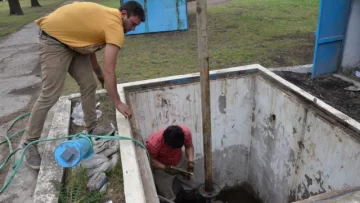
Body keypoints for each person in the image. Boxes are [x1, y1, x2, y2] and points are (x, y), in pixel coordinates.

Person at [23, 1, 145, 169]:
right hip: (54, 39)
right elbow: (110, 71)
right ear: (124, 14)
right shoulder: (115, 27)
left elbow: (89, 45)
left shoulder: (109, 19)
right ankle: (29, 144)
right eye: (133, 24)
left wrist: (98, 73)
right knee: (50, 94)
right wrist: (117, 102)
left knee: (89, 84)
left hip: (74, 43)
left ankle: (92, 127)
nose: (133, 28)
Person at [146, 125, 199, 202]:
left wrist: (190, 161)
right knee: (166, 193)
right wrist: (165, 168)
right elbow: (152, 161)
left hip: (180, 160)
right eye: (172, 148)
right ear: (166, 142)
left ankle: (190, 198)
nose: (173, 151)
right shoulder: (153, 144)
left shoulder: (185, 133)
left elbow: (189, 146)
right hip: (162, 168)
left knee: (191, 183)